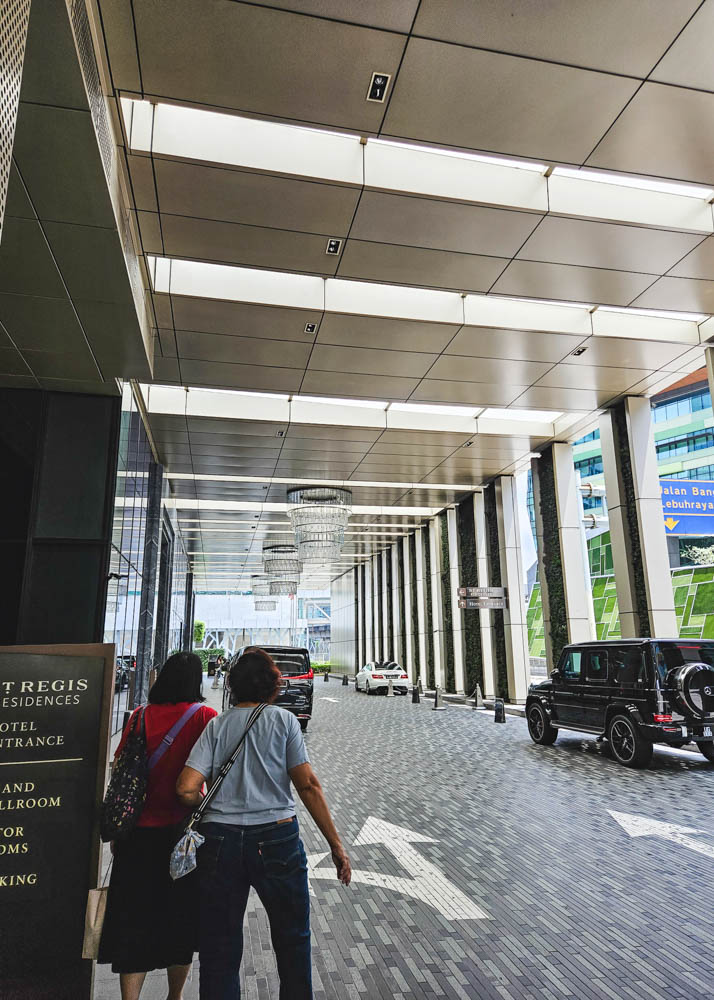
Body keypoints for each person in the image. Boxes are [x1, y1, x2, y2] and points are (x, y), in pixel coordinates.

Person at [176, 646, 351, 1000]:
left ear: (234, 685)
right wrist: (336, 845)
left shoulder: (217, 725)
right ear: (272, 686)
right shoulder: (283, 721)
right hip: (277, 840)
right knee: (293, 940)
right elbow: (308, 785)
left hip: (219, 841)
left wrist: (209, 808)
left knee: (219, 947)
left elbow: (185, 789)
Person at [99, 652, 218, 1000]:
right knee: (180, 919)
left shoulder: (138, 717)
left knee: (132, 922)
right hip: (183, 837)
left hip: (136, 836)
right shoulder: (205, 717)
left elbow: (119, 766)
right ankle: (174, 996)